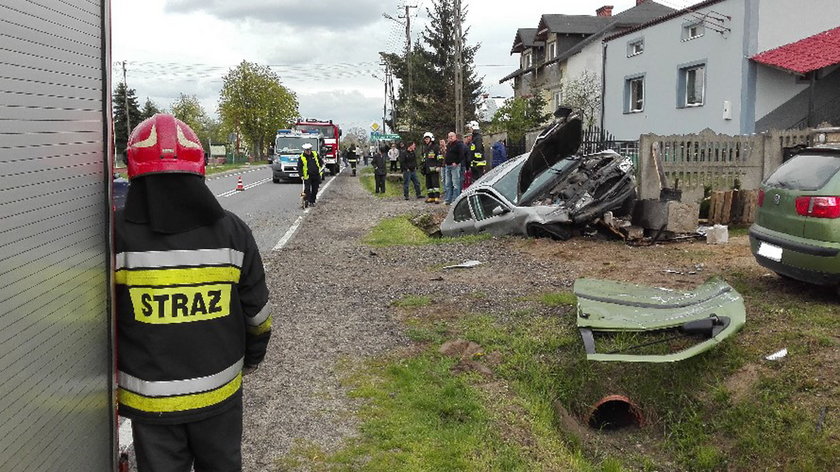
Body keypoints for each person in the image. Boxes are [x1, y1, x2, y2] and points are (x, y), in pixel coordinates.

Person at [115, 114, 271, 472]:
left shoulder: (115, 235)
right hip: (220, 397)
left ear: (134, 170)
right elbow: (258, 315)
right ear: (199, 168)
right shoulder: (233, 232)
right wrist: (253, 359)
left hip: (151, 406)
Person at [443, 131, 465, 204]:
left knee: (456, 183)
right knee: (448, 183)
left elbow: (462, 155)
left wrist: (457, 162)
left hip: (454, 166)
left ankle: (455, 200)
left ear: (455, 137)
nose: (450, 138)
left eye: (452, 136)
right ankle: (448, 199)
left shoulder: (459, 144)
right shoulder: (448, 145)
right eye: (449, 137)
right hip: (447, 166)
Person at [300, 143, 324, 207]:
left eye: (309, 150)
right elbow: (299, 167)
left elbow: (320, 162)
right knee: (307, 189)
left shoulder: (315, 154)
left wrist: (321, 167)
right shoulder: (302, 157)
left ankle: (312, 201)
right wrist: (301, 175)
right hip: (307, 176)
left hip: (316, 175)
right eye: (307, 150)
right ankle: (306, 200)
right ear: (304, 150)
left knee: (315, 189)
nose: (308, 151)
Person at [420, 132, 441, 203]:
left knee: (435, 184)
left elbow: (440, 157)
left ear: (431, 138)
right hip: (427, 169)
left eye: (427, 139)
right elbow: (424, 158)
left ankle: (437, 197)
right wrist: (422, 166)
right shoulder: (425, 148)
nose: (426, 140)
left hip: (434, 169)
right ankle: (431, 197)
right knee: (428, 184)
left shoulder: (436, 147)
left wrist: (438, 166)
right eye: (425, 139)